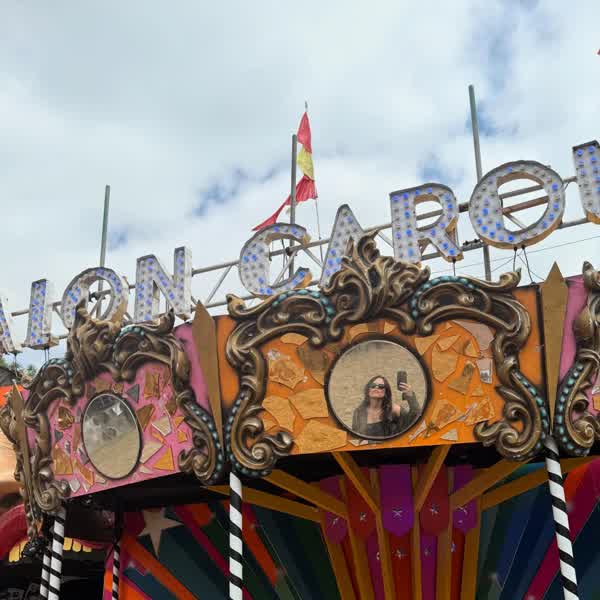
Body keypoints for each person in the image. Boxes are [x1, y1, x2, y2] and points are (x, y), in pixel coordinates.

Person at [351, 374, 419, 438]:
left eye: (381, 386)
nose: (376, 387)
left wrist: (411, 396)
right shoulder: (359, 412)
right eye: (373, 385)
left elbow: (414, 419)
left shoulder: (394, 410)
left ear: (386, 392)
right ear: (368, 390)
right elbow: (355, 437)